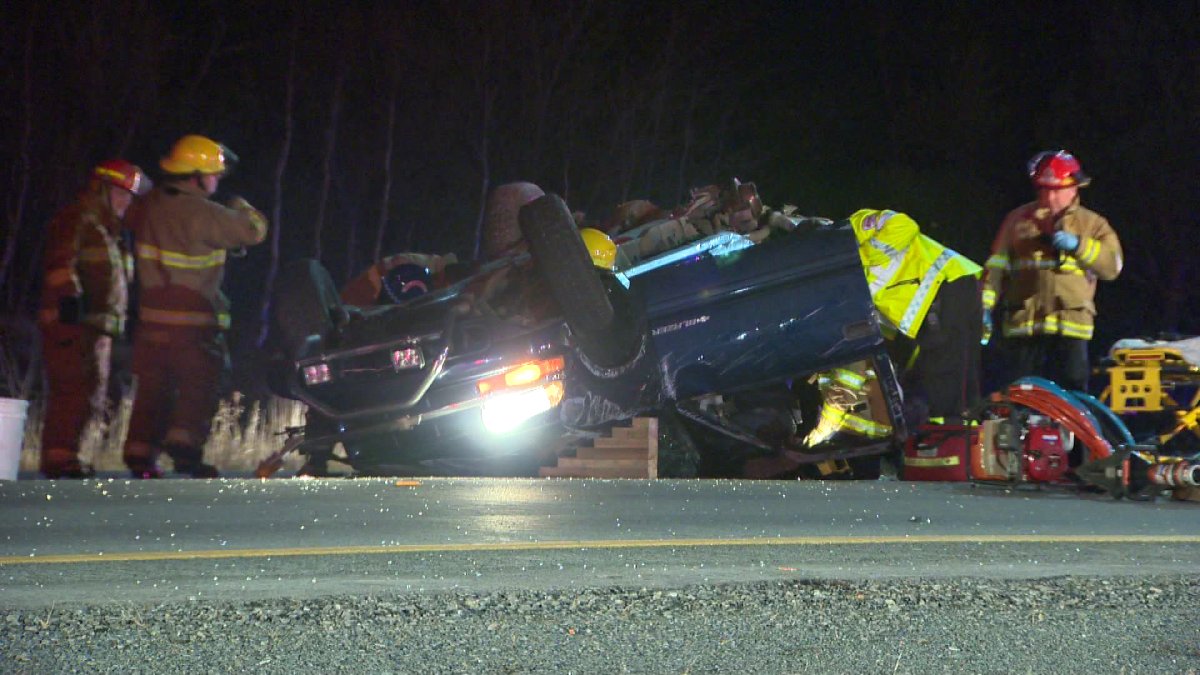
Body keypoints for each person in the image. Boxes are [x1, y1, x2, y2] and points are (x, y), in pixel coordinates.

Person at [122, 134, 268, 478]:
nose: (216, 180)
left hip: (151, 321)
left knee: (152, 390)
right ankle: (184, 447)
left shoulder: (148, 206)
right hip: (193, 322)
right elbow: (252, 232)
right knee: (200, 385)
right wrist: (242, 206)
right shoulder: (204, 212)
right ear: (195, 175)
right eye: (213, 173)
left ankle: (139, 454)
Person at [37, 159, 148, 478]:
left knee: (92, 392)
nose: (125, 202)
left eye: (129, 196)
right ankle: (60, 459)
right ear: (102, 190)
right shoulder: (79, 218)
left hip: (98, 326)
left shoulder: (110, 231)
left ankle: (73, 455)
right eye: (120, 193)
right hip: (72, 322)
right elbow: (62, 260)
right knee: (73, 388)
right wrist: (68, 299)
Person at [982, 150, 1123, 392]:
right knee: (1021, 399)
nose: (1049, 197)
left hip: (1070, 327)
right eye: (1043, 189)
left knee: (1073, 400)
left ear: (1074, 188)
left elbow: (1112, 266)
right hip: (1023, 326)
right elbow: (995, 268)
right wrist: (983, 307)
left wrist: (1079, 245)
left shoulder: (1092, 224)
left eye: (1056, 190)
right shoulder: (1018, 220)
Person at [846, 209, 983, 424]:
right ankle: (958, 434)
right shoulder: (843, 279)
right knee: (953, 372)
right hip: (934, 301)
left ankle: (948, 433)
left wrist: (861, 259)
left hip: (946, 283)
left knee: (943, 368)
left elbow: (904, 224)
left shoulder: (855, 225)